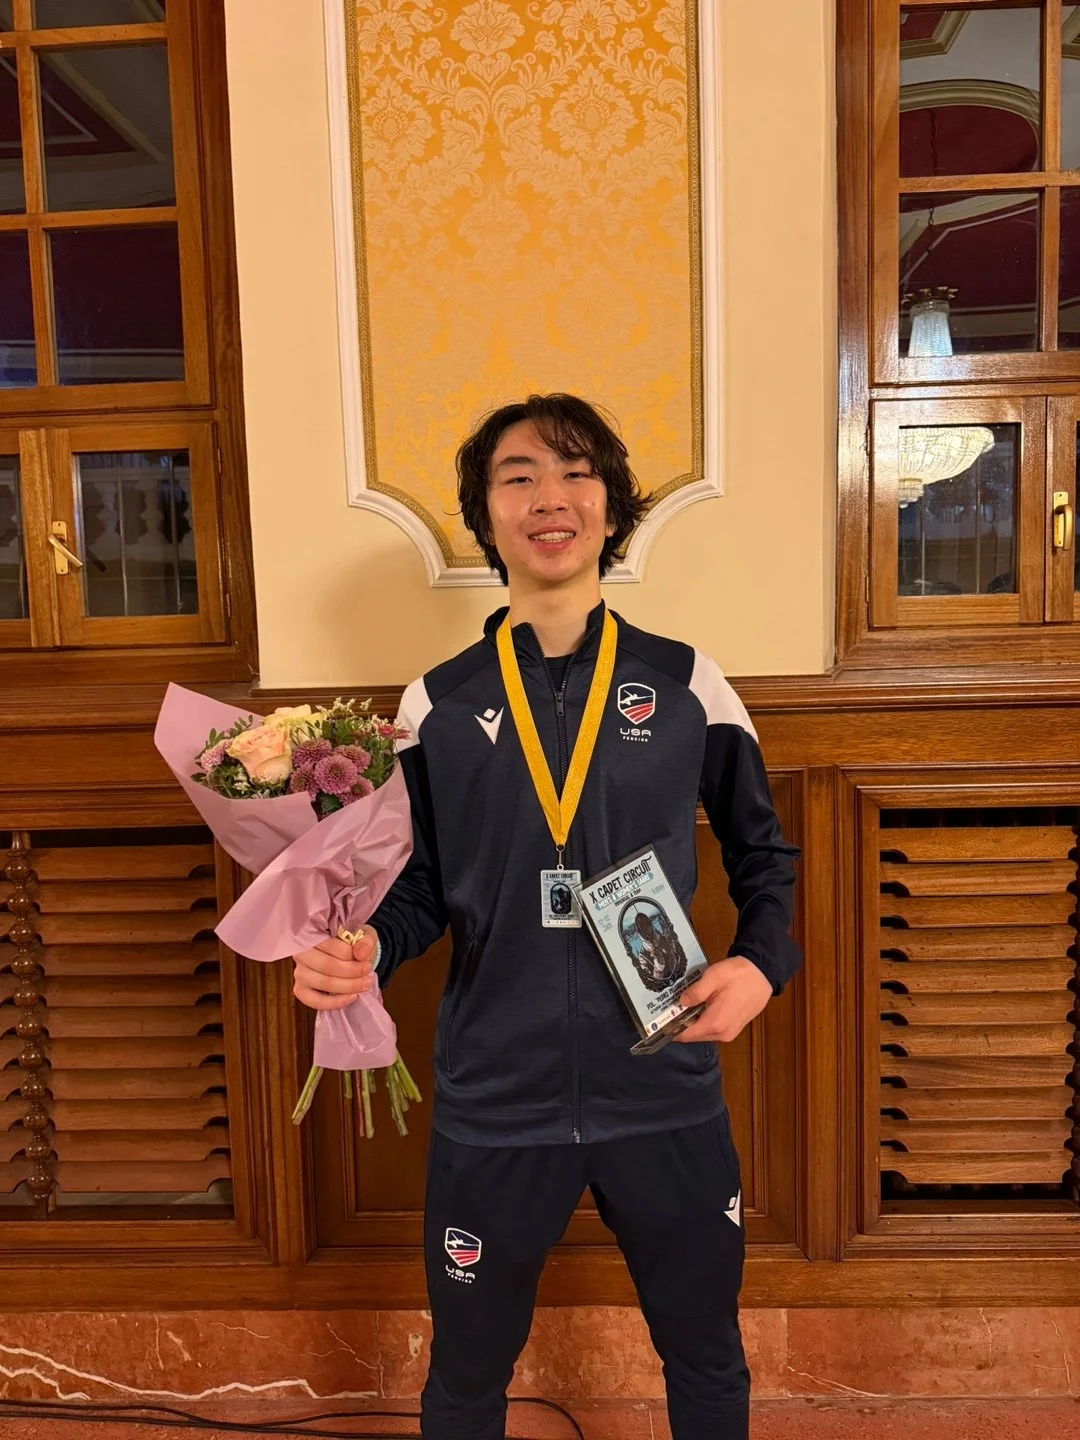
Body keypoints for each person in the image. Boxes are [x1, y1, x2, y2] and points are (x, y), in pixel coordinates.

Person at [291, 393, 802, 1440]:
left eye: (575, 473)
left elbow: (766, 855)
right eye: (517, 477)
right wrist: (362, 951)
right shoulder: (435, 701)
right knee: (468, 1373)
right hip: (499, 1098)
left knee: (706, 1352)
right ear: (485, 515)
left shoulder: (688, 682)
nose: (548, 498)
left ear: (613, 505)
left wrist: (760, 965)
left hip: (660, 1081)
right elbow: (419, 893)